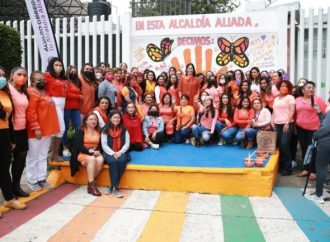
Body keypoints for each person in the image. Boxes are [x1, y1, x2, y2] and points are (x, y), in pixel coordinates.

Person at [26, 71, 60, 191]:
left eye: (43, 79)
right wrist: (36, 128)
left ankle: (41, 178)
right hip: (36, 131)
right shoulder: (31, 92)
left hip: (46, 130)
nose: (42, 81)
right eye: (38, 80)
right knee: (33, 156)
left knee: (42, 155)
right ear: (32, 81)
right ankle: (32, 180)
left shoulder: (44, 92)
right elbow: (31, 112)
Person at [0, 66, 26, 215]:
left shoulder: (5, 93)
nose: (2, 78)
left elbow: (8, 118)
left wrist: (11, 138)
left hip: (4, 134)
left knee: (4, 168)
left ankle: (9, 198)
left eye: (3, 75)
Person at [295, 81, 326, 179]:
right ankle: (305, 169)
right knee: (304, 148)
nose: (311, 89)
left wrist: (318, 110)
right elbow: (295, 113)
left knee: (312, 149)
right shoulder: (297, 100)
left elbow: (324, 114)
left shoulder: (318, 99)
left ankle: (313, 171)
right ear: (303, 90)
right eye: (308, 87)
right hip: (300, 128)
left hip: (314, 129)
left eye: (312, 87)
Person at [70, 112, 104, 196]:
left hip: (94, 153)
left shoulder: (99, 131)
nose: (93, 121)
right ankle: (92, 185)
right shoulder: (80, 130)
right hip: (82, 153)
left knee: (100, 159)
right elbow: (78, 145)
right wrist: (89, 151)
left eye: (95, 119)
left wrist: (98, 151)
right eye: (91, 119)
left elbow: (101, 145)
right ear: (86, 121)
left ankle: (90, 184)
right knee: (92, 159)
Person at [8, 67, 30, 197]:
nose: (22, 77)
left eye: (25, 75)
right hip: (9, 130)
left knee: (20, 160)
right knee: (6, 162)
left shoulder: (23, 92)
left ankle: (16, 186)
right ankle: (8, 190)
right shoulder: (7, 90)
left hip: (22, 129)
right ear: (12, 75)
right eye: (19, 74)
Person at [304, 97, 330, 204]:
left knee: (321, 168)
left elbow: (325, 128)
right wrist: (319, 113)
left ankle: (319, 195)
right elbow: (325, 123)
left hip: (325, 143)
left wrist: (315, 135)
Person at [102, 110, 130, 198]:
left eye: (118, 117)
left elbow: (127, 143)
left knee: (122, 161)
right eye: (114, 117)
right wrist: (113, 153)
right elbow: (104, 144)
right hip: (109, 152)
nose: (116, 119)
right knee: (113, 162)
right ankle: (116, 188)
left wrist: (120, 152)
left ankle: (112, 186)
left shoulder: (124, 129)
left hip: (121, 151)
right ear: (110, 118)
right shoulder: (105, 129)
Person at [271, 80, 295, 176]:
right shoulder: (276, 98)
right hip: (277, 124)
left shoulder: (290, 97)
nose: (283, 87)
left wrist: (287, 122)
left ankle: (288, 169)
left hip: (287, 124)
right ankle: (281, 167)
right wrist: (272, 120)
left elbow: (292, 110)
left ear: (288, 88)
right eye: (281, 86)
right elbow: (274, 111)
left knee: (285, 144)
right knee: (280, 145)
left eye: (285, 86)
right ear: (278, 87)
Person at [63, 65, 82, 157]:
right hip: (66, 107)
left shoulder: (76, 82)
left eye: (75, 71)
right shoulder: (65, 82)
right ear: (68, 72)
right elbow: (66, 94)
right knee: (65, 128)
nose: (73, 73)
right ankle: (65, 148)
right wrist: (78, 96)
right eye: (72, 71)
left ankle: (77, 147)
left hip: (76, 108)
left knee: (79, 127)